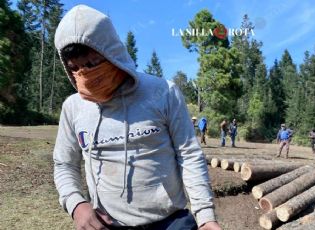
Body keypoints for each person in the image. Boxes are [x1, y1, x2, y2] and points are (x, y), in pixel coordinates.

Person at [52, 5, 220, 230]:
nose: (85, 74)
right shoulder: (73, 108)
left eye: (92, 63)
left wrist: (206, 216)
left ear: (112, 53)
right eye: (75, 67)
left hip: (170, 222)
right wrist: (76, 204)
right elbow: (64, 163)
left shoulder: (163, 93)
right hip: (108, 224)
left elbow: (189, 155)